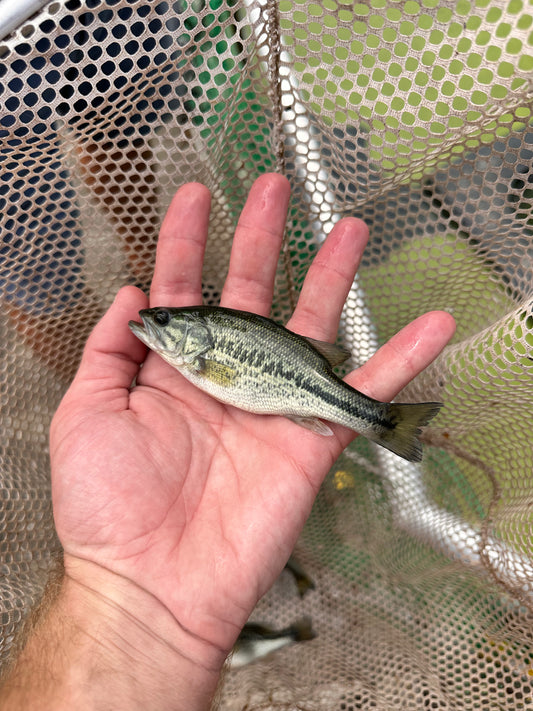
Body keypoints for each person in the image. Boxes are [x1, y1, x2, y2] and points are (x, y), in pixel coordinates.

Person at [0, 174, 456, 709]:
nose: (152, 321)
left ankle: (382, 420)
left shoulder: (200, 355)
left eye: (167, 320)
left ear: (194, 337)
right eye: (161, 319)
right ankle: (382, 421)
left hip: (303, 387)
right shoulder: (194, 353)